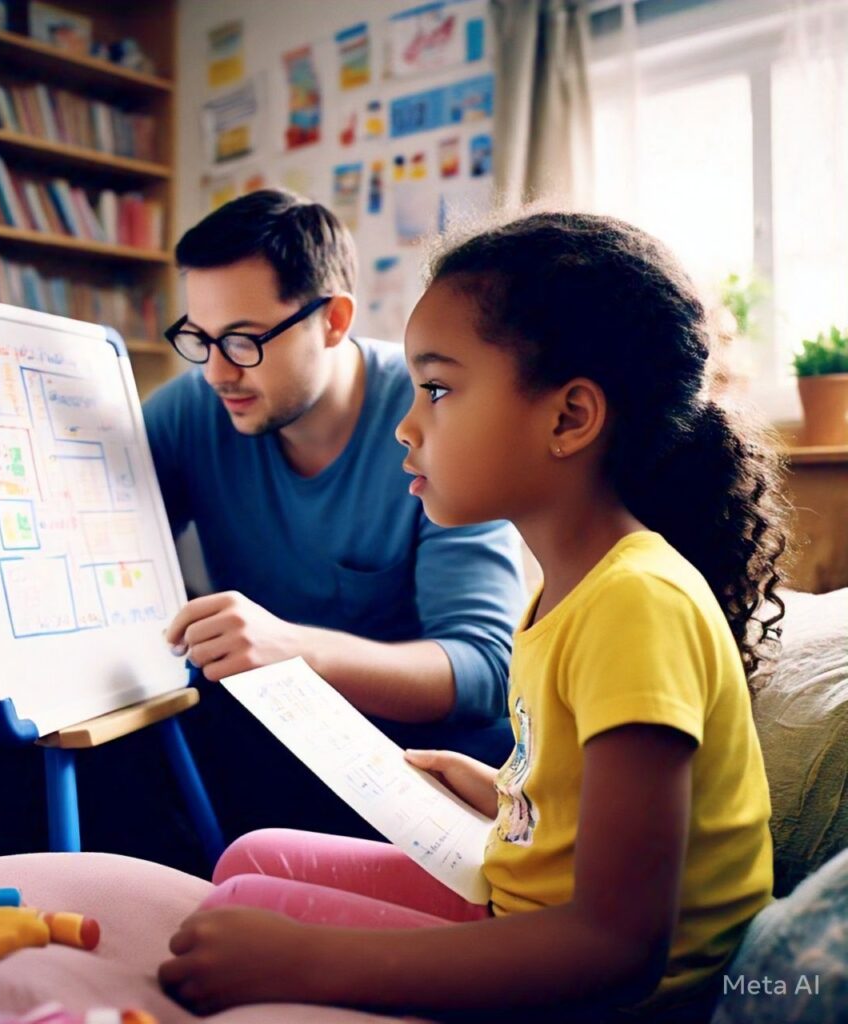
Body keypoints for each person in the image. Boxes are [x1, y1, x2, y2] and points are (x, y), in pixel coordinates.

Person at [156, 211, 788, 1022]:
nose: (405, 424)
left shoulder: (638, 603)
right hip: (530, 908)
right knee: (251, 858)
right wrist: (506, 795)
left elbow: (618, 950)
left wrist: (312, 962)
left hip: (620, 996)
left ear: (569, 418)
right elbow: (599, 811)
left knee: (243, 916)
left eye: (440, 390)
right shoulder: (568, 589)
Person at [0, 190, 525, 871]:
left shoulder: (432, 416)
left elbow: (484, 667)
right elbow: (87, 536)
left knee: (495, 752)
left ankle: (198, 862)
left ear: (333, 320)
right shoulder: (196, 408)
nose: (216, 370)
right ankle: (164, 871)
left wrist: (295, 651)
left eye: (242, 340)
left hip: (389, 732)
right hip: (252, 716)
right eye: (198, 338)